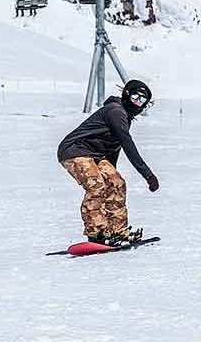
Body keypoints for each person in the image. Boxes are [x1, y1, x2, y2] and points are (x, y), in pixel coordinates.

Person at [56, 80, 160, 246]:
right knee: (96, 185)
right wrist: (147, 174)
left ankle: (118, 230)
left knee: (116, 183)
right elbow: (127, 144)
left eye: (142, 101)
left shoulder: (124, 116)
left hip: (96, 155)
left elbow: (115, 147)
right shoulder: (116, 111)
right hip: (74, 150)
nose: (137, 102)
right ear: (126, 94)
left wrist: (112, 172)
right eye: (135, 97)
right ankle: (96, 233)